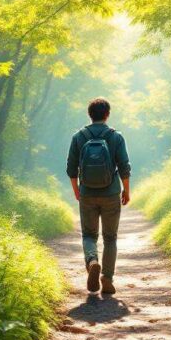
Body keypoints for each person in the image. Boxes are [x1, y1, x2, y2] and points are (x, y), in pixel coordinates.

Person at [66, 97, 131, 295]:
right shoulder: (116, 137)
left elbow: (71, 168)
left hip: (87, 193)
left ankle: (92, 261)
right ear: (107, 114)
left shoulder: (78, 137)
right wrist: (126, 190)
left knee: (89, 235)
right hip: (111, 193)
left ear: (90, 115)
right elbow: (124, 166)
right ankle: (107, 278)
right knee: (110, 238)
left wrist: (77, 191)